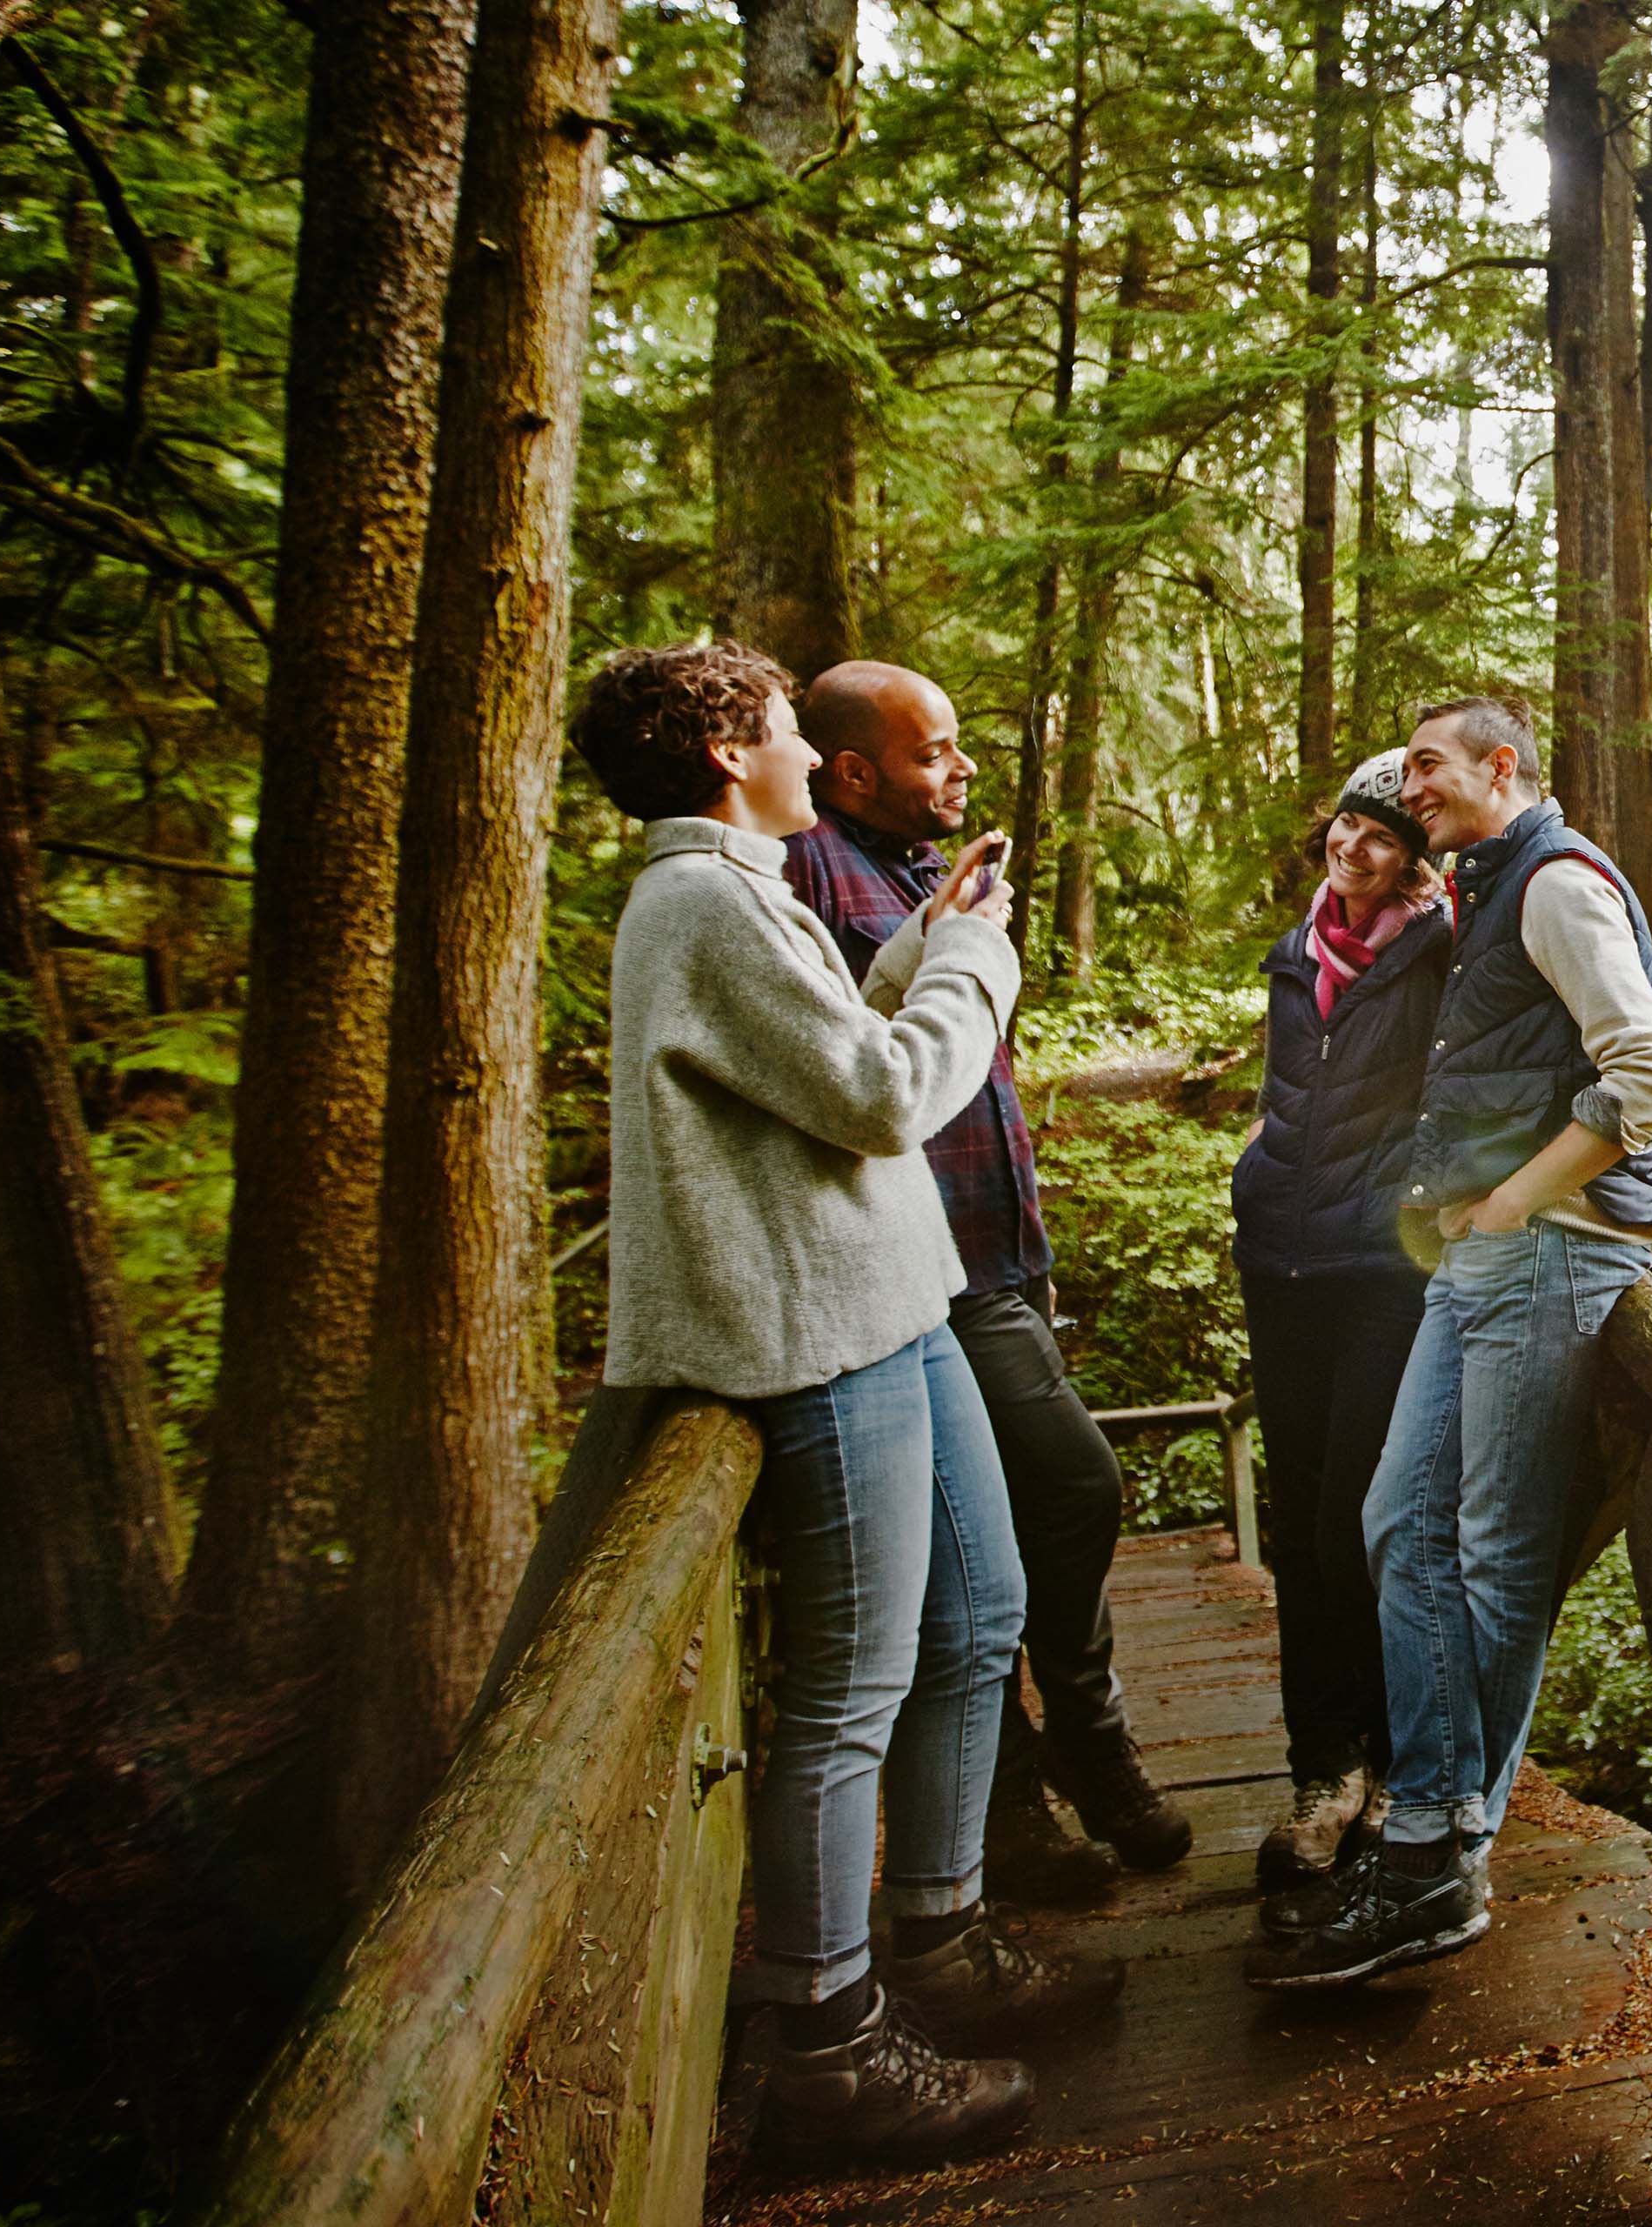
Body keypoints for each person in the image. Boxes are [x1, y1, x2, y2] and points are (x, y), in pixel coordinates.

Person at [578, 640, 1120, 2166]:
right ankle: (828, 2043)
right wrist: (978, 966)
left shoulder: (746, 888)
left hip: (899, 1299)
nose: (810, 757)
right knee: (851, 1688)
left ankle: (943, 1940)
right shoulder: (696, 900)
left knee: (979, 1611)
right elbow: (885, 1097)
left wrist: (920, 945)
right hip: (814, 1334)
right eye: (779, 732)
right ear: (723, 756)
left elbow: (826, 1057)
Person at [1248, 693, 1652, 1990]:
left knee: (1493, 1549)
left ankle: (1440, 1852)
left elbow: (1651, 1072)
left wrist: (1518, 1197)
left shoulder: (1552, 883)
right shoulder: (1488, 890)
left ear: (1505, 767)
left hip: (1549, 1249)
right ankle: (1433, 1834)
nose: (1412, 786)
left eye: (1430, 766)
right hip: (1484, 1255)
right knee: (1400, 1524)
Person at [782, 659, 1192, 1906]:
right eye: (933, 752)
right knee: (1070, 1488)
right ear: (856, 769)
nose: (960, 770)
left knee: (1010, 1524)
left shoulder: (914, 870)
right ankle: (1058, 1755)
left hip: (998, 1252)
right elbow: (857, 1071)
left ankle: (1026, 1791)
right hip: (927, 1276)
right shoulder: (806, 876)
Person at [1231, 748, 1450, 1894]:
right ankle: (1321, 1770)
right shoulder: (1297, 948)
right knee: (1299, 1516)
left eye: (1380, 838)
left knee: (1359, 1520)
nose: (1351, 849)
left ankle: (1392, 1766)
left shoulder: (1442, 948)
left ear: (1415, 860)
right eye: (1345, 828)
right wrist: (1258, 1176)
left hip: (1379, 1266)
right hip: (1282, 1256)